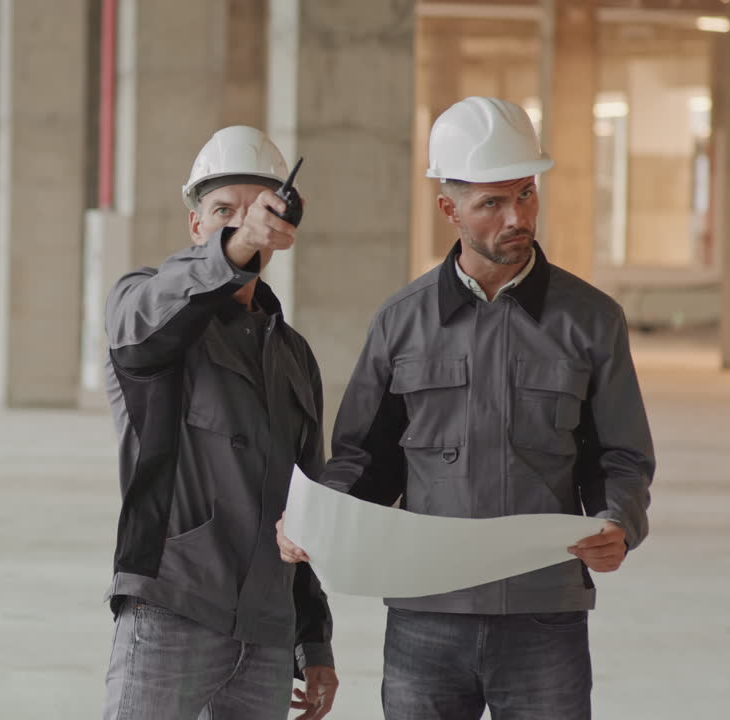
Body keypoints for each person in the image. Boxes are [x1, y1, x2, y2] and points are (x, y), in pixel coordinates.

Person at [277, 96, 656, 720]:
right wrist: (314, 520)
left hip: (543, 615)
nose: (517, 216)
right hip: (426, 613)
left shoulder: (591, 321)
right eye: (492, 203)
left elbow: (622, 454)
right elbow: (362, 460)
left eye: (526, 194)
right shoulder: (401, 324)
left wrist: (620, 520)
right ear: (449, 209)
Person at [101, 125, 338, 720]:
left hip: (266, 635)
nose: (239, 223)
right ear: (196, 225)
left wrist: (314, 639)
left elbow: (303, 508)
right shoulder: (146, 309)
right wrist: (231, 251)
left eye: (255, 210)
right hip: (169, 610)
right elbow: (139, 327)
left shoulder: (294, 356)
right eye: (221, 211)